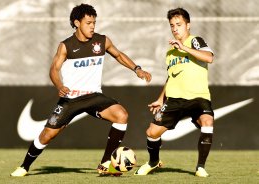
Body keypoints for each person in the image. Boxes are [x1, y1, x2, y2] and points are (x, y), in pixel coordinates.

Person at [11, 3, 151, 177]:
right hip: (71, 99)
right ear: (77, 23)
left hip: (93, 96)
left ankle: (106, 163)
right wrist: (60, 86)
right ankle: (24, 166)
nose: (92, 26)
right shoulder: (66, 46)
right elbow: (54, 69)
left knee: (121, 115)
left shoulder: (102, 41)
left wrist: (137, 69)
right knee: (47, 134)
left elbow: (119, 55)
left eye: (94, 23)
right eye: (88, 23)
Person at [134, 8, 214, 177]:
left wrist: (184, 48)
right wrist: (160, 99)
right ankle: (153, 162)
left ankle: (200, 167)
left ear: (188, 25)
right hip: (175, 99)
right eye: (172, 26)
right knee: (151, 133)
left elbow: (209, 57)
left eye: (179, 24)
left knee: (207, 122)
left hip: (198, 97)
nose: (175, 28)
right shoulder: (170, 52)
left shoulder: (195, 41)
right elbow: (170, 77)